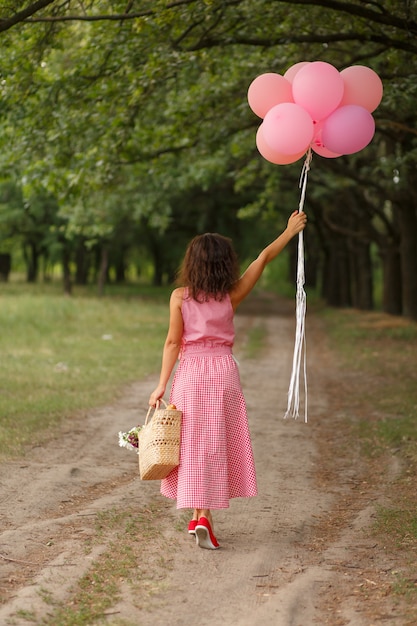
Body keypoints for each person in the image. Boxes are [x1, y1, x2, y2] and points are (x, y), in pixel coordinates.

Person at [149, 210, 307, 549]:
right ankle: (200, 516)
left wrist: (161, 384)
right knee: (214, 441)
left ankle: (200, 515)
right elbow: (263, 258)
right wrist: (288, 231)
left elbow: (173, 343)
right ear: (225, 263)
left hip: (190, 374)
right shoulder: (231, 295)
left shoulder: (180, 297)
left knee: (193, 443)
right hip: (222, 373)